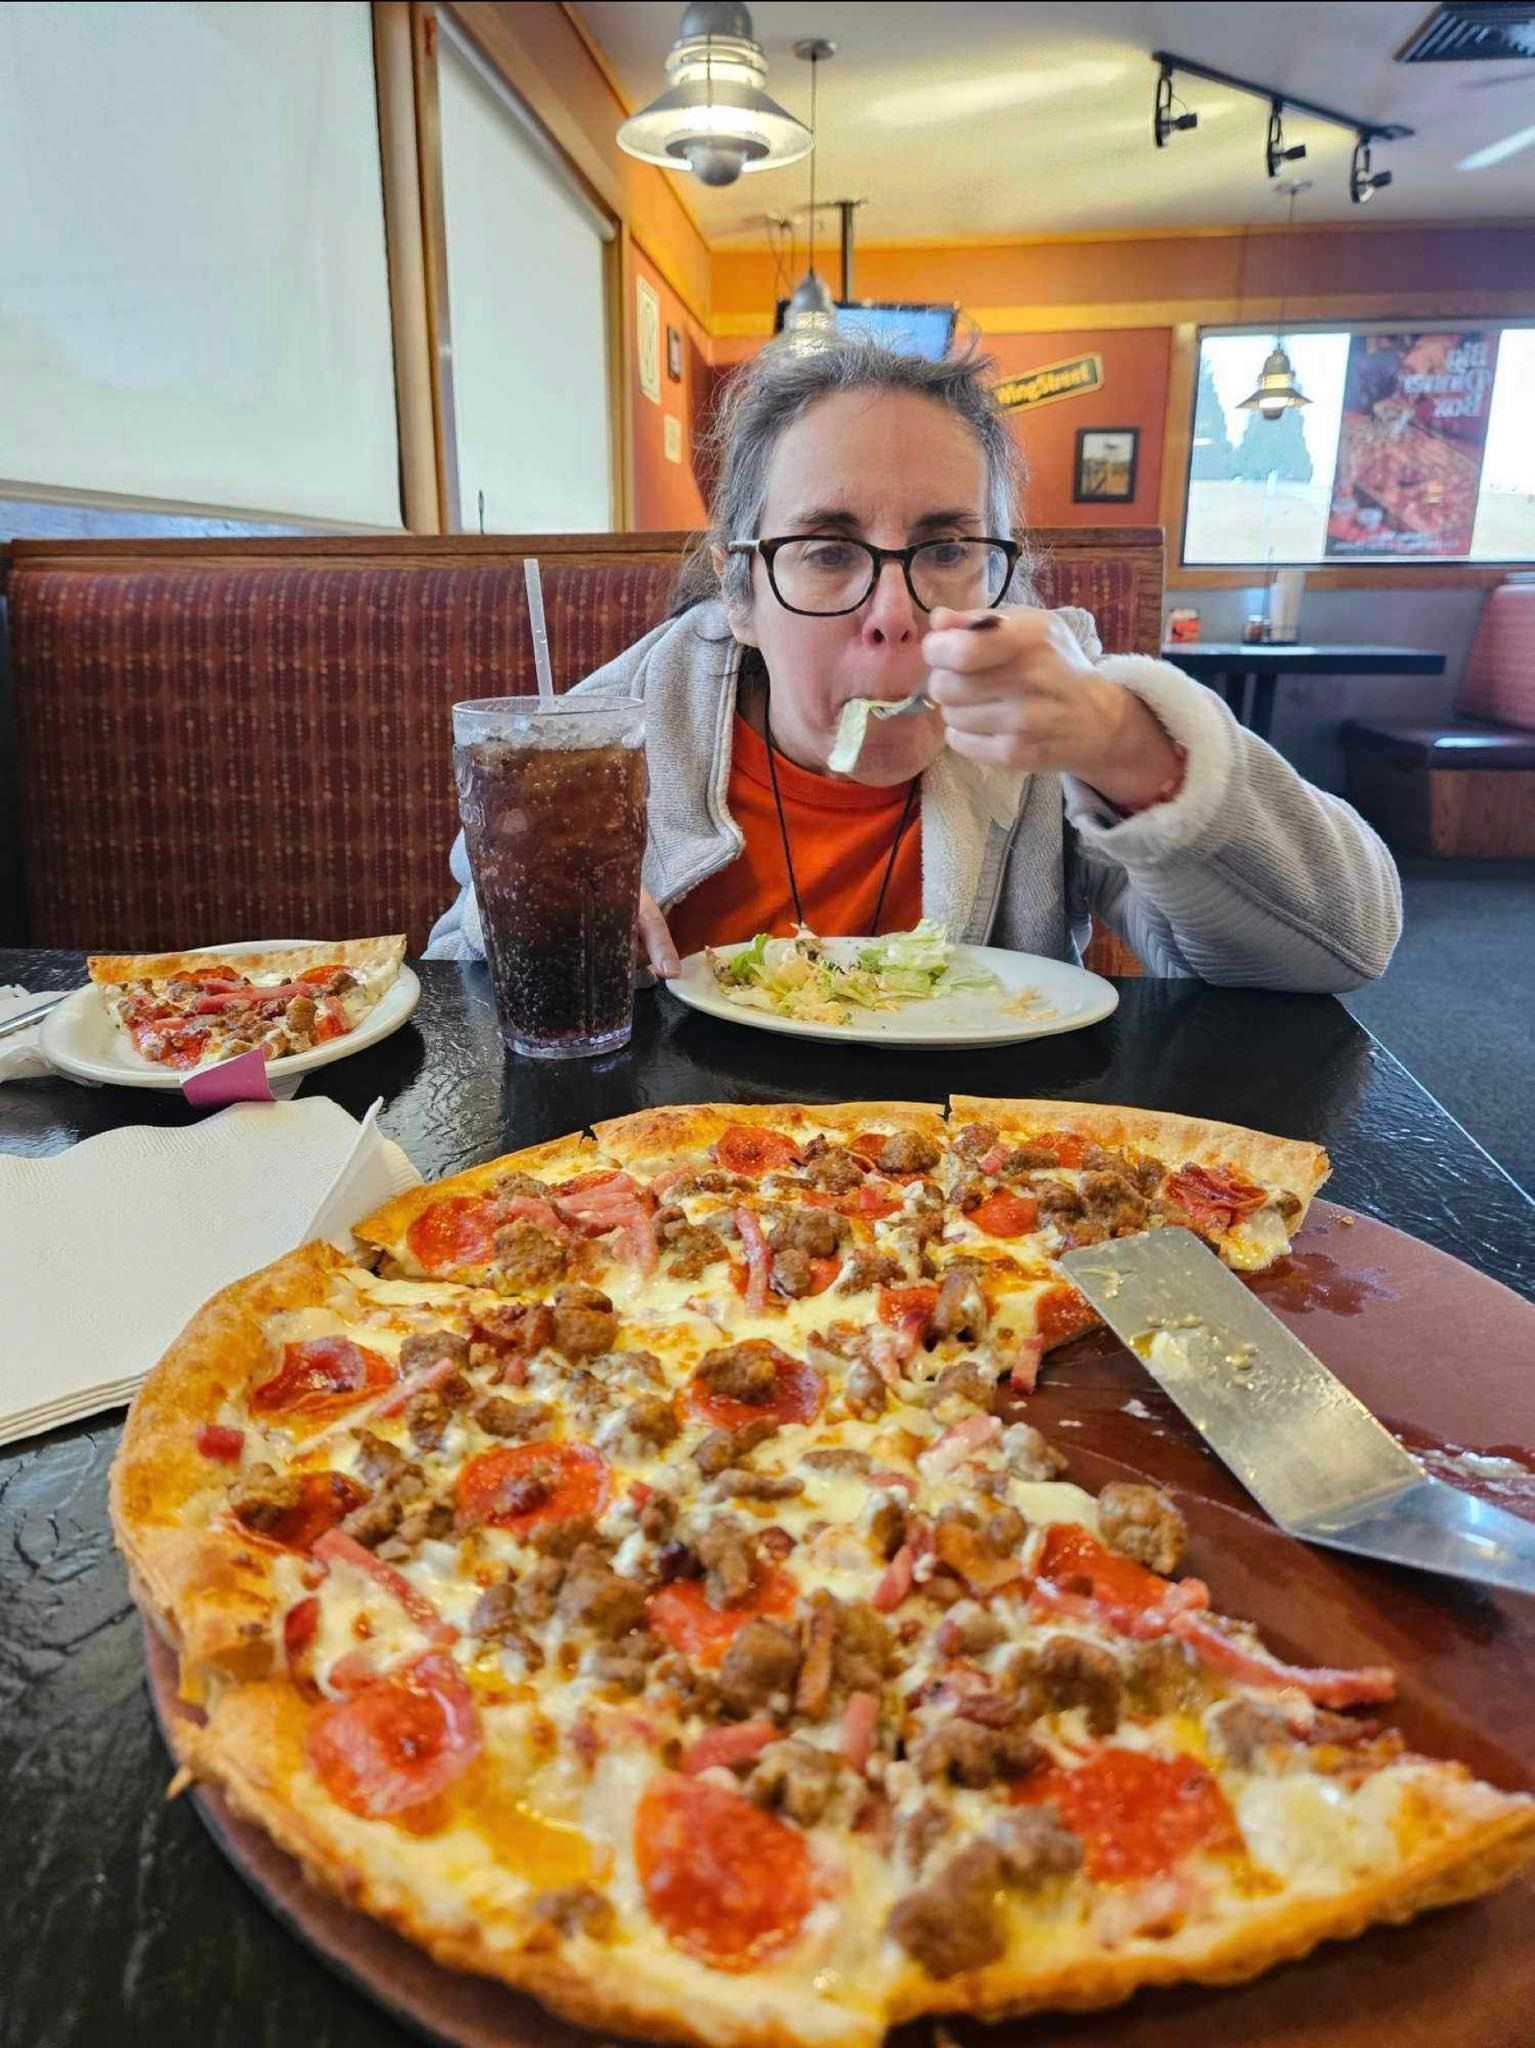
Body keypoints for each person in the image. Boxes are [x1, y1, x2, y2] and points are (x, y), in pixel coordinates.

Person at [427, 337, 1400, 991]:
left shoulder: (1058, 716)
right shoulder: (616, 727)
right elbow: (456, 959)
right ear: (740, 594)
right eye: (826, 550)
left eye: (943, 549)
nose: (894, 616)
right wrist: (538, 922)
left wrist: (1128, 746)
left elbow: (1344, 946)